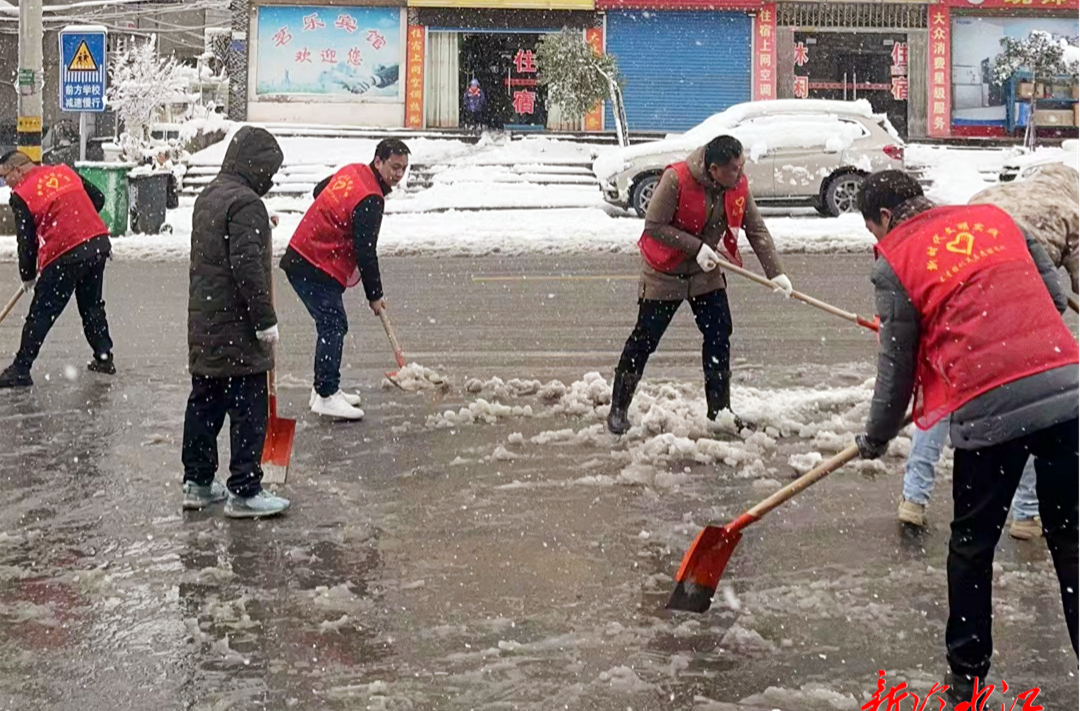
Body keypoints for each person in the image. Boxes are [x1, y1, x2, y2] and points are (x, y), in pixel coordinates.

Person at [853, 170, 1080, 702]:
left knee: (973, 546)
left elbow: (897, 366)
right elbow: (1054, 293)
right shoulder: (994, 219)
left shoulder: (896, 260)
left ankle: (967, 674)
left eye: (873, 231)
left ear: (885, 219)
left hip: (990, 408)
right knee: (1072, 541)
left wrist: (877, 436)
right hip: (1069, 392)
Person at [898, 163, 1080, 539]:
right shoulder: (1070, 212)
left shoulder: (989, 199)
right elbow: (1063, 293)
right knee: (1034, 403)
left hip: (961, 303)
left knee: (943, 398)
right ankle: (1026, 516)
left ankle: (913, 500)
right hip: (1020, 301)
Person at [607, 135, 793, 435]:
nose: (740, 173)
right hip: (664, 270)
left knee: (719, 333)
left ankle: (719, 411)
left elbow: (756, 229)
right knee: (645, 338)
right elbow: (654, 226)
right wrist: (695, 246)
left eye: (741, 166)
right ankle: (618, 406)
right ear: (713, 168)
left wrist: (776, 274)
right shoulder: (676, 179)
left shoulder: (737, 185)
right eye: (733, 168)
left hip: (705, 272)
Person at [182, 126, 290, 519]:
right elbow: (248, 268)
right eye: (269, 169)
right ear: (255, 165)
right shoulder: (247, 204)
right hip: (238, 325)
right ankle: (244, 490)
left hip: (205, 322)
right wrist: (265, 320)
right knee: (248, 409)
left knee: (205, 403)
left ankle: (197, 482)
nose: (271, 178)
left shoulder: (209, 196)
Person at [281, 138, 409, 420]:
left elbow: (319, 191)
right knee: (333, 324)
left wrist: (334, 221)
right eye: (394, 167)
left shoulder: (353, 171)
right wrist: (375, 296)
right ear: (379, 162)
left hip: (306, 254)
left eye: (403, 169)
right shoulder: (371, 198)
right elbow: (366, 252)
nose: (398, 175)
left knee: (330, 323)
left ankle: (322, 389)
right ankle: (327, 395)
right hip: (313, 262)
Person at [0, 150, 115, 388]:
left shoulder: (22, 194)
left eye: (5, 176)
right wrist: (78, 220)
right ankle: (104, 357)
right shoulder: (64, 171)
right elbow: (98, 198)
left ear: (18, 169)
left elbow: (26, 240)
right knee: (91, 305)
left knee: (42, 312)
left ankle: (21, 368)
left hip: (65, 253)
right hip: (97, 244)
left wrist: (27, 275)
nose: (5, 183)